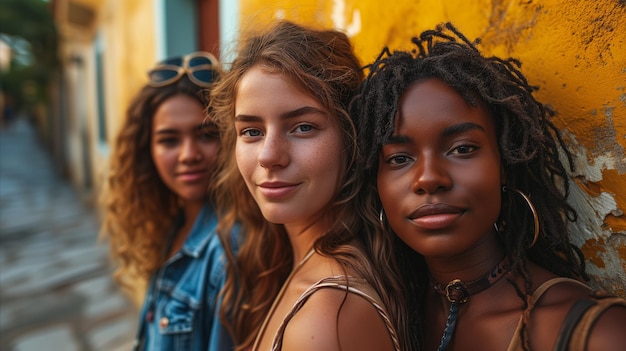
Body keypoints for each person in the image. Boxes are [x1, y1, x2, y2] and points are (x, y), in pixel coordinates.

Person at [351, 23, 626, 351]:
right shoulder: (378, 322)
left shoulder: (595, 334)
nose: (428, 178)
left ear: (504, 165)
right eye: (398, 159)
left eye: (462, 148)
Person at [210, 20, 402, 351]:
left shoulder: (328, 316)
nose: (269, 156)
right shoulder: (289, 264)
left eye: (302, 127)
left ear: (351, 136)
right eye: (252, 131)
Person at [100, 51, 236, 350]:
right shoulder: (174, 223)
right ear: (146, 149)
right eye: (169, 140)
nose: (189, 155)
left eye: (207, 134)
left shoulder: (229, 248)